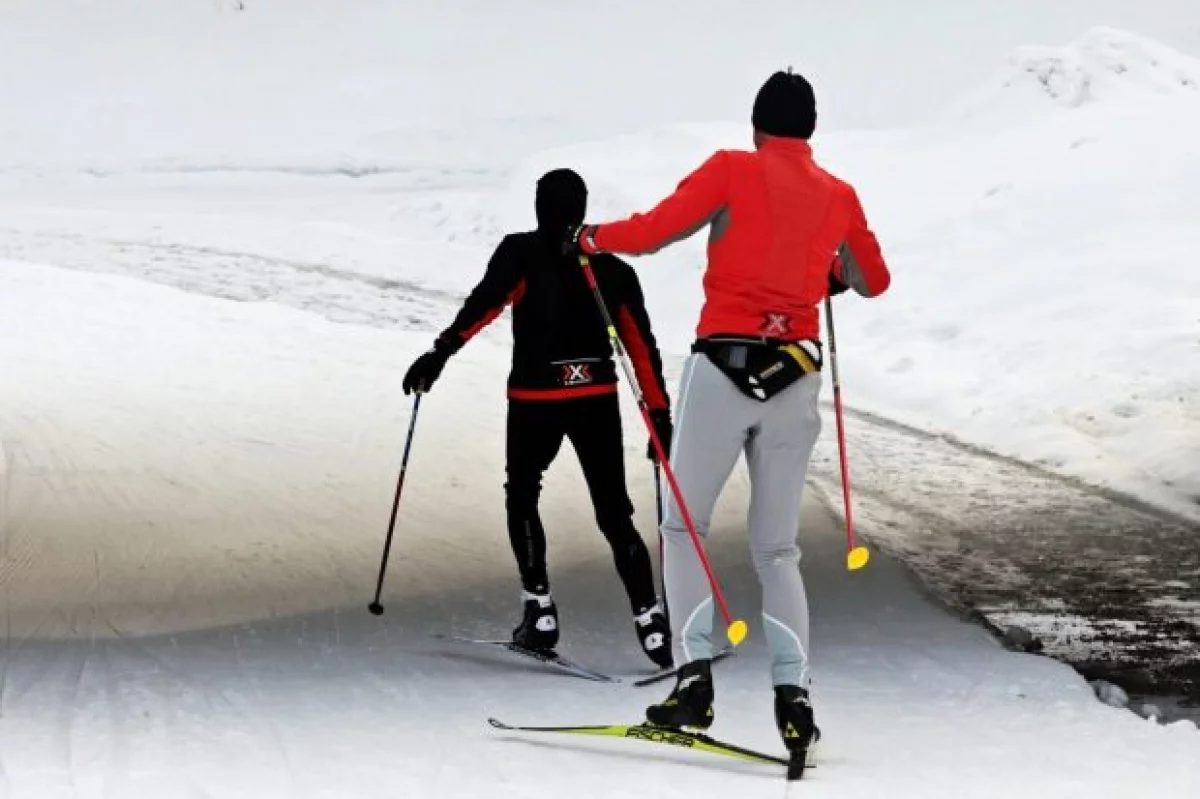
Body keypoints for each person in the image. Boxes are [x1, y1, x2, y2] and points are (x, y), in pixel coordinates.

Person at [563, 71, 891, 756]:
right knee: (776, 547)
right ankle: (794, 696)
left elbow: (652, 233)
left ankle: (694, 683)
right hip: (796, 376)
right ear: (809, 130)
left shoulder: (732, 170)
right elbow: (873, 279)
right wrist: (829, 274)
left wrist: (591, 237)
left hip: (722, 370)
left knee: (684, 525)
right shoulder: (839, 194)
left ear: (757, 127)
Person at [403, 168, 675, 669]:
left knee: (523, 491)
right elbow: (642, 347)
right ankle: (652, 623)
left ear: (538, 207)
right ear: (582, 208)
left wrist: (438, 355)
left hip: (535, 398)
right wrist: (659, 415)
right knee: (614, 512)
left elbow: (483, 306)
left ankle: (541, 612)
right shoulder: (612, 269)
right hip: (595, 395)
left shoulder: (521, 253)